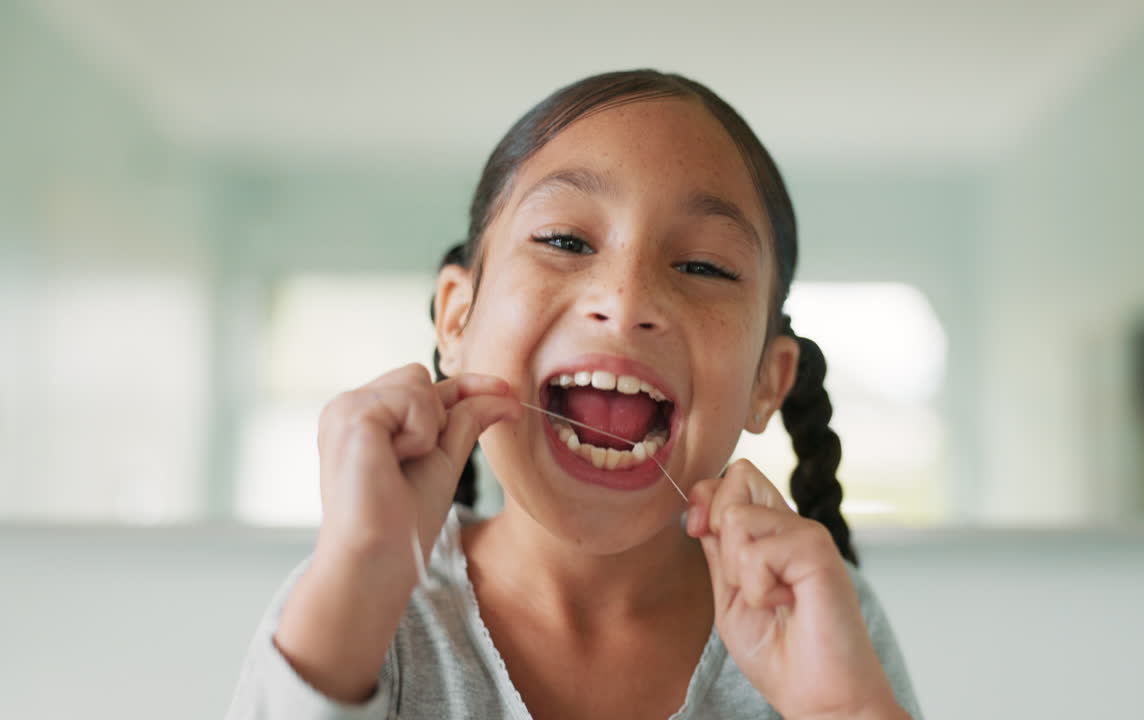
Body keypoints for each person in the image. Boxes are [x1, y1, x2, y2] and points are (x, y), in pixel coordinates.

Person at [228, 69, 922, 720]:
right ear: (457, 320)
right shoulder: (353, 598)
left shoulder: (816, 619)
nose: (625, 303)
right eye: (564, 240)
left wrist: (844, 708)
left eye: (703, 266)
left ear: (767, 381)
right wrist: (357, 587)